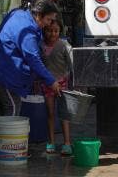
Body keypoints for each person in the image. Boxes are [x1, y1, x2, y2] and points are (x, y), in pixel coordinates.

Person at [0, 0, 61, 116]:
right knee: (12, 107)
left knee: (4, 109)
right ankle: (9, 134)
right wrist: (51, 81)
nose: (49, 24)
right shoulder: (27, 31)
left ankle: (1, 134)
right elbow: (33, 60)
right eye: (48, 19)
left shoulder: (19, 14)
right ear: (39, 15)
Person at [41, 16, 73, 155]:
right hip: (47, 84)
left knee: (64, 114)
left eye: (56, 31)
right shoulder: (40, 45)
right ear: (44, 31)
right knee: (50, 113)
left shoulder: (64, 45)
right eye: (49, 31)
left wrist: (74, 83)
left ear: (60, 31)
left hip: (62, 83)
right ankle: (51, 142)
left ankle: (67, 143)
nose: (52, 34)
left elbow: (72, 65)